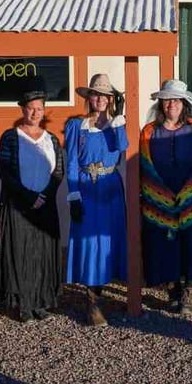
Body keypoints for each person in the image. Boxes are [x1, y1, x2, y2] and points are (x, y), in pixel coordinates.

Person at [140, 79, 192, 313]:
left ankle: (191, 291)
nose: (171, 105)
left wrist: (190, 193)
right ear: (161, 104)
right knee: (167, 244)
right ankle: (173, 289)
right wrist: (160, 193)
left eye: (176, 100)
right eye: (167, 101)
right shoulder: (148, 132)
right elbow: (145, 166)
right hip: (162, 198)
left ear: (184, 103)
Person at [0, 87, 64, 321]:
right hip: (19, 206)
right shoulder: (11, 137)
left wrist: (44, 196)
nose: (35, 113)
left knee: (42, 253)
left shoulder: (51, 139)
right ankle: (23, 304)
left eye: (40, 109)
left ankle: (41, 302)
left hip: (45, 205)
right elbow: (5, 171)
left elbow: (58, 172)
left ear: (44, 112)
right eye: (31, 108)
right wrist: (28, 196)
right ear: (23, 110)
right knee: (20, 253)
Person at [64, 73, 129, 326]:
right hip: (86, 188)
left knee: (108, 240)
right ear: (89, 97)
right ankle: (92, 302)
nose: (100, 99)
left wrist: (119, 117)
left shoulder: (116, 125)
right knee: (90, 245)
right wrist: (73, 195)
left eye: (105, 95)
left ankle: (106, 293)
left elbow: (122, 146)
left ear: (111, 99)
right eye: (96, 94)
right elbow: (70, 162)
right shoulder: (76, 126)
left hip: (110, 187)